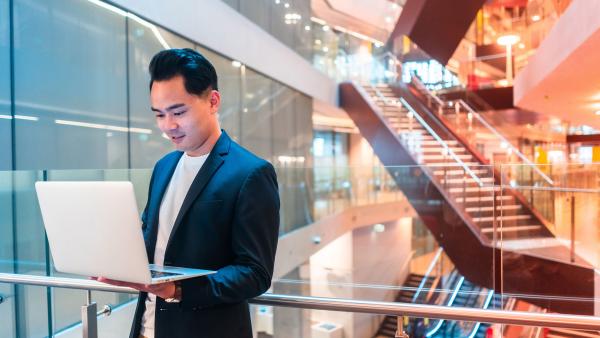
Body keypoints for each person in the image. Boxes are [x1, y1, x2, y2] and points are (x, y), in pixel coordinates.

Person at [97, 48, 280, 338]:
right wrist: (119, 257)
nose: (168, 126)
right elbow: (154, 243)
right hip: (147, 329)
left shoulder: (251, 173)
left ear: (213, 101)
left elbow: (254, 273)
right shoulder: (164, 166)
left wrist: (178, 289)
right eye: (159, 115)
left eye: (179, 112)